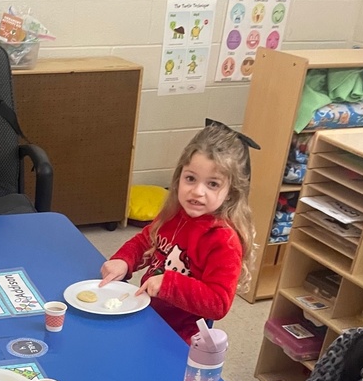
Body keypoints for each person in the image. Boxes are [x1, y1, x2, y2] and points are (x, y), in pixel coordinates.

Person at [99, 120, 258, 342]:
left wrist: (169, 284)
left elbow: (218, 303)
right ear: (178, 178)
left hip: (181, 338)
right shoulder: (175, 213)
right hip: (148, 316)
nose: (197, 192)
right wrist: (124, 261)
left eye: (212, 184)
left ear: (231, 192)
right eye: (190, 178)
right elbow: (145, 241)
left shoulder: (223, 240)